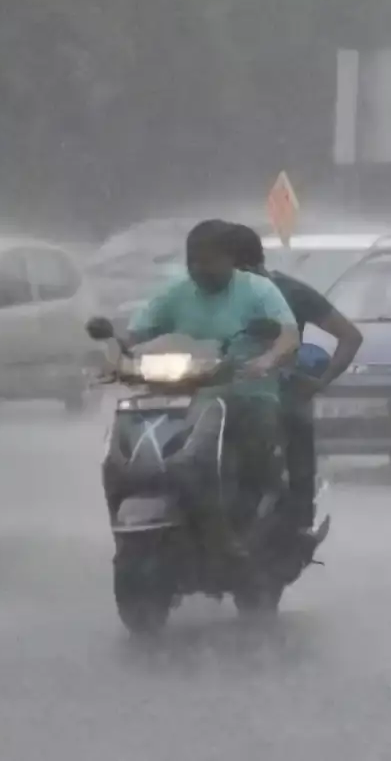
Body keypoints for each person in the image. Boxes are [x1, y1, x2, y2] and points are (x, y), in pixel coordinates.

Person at [126, 219, 301, 552]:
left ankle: (258, 509)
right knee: (137, 427)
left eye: (208, 260)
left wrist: (265, 361)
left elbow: (287, 335)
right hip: (186, 394)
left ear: (228, 260)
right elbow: (136, 332)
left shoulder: (257, 290)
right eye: (193, 261)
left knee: (256, 444)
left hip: (247, 392)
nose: (199, 268)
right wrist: (113, 354)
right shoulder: (176, 293)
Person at [221, 223, 363, 535]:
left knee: (296, 422)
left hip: (276, 392)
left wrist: (319, 382)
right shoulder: (201, 297)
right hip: (216, 393)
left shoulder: (291, 293)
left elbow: (350, 336)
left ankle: (300, 520)